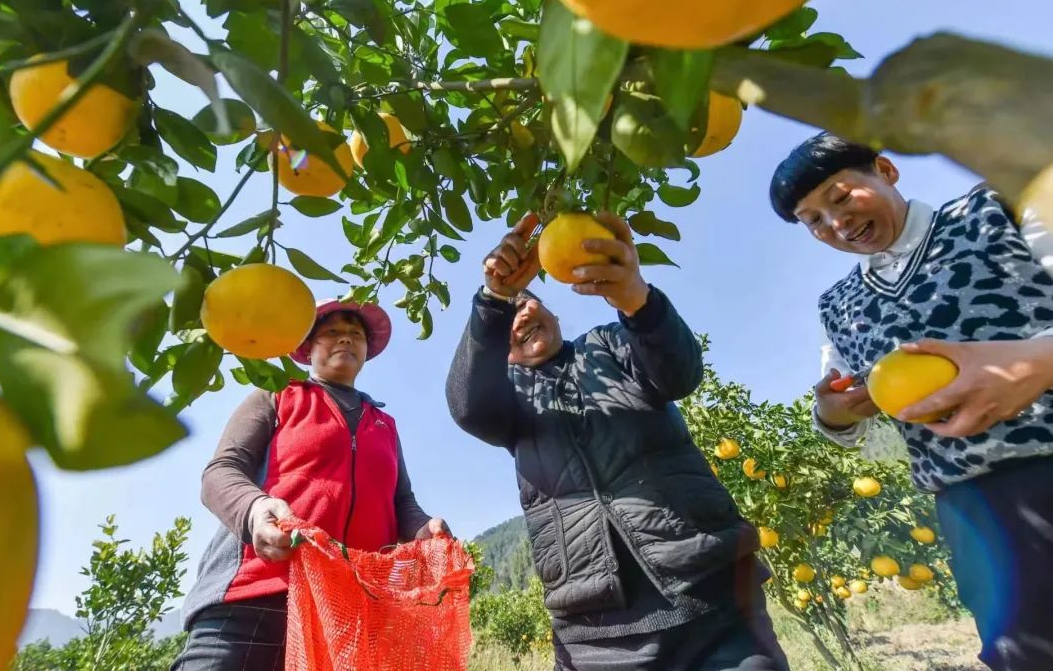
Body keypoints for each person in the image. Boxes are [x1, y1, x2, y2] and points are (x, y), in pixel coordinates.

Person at [446, 211, 789, 670]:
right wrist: (494, 298)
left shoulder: (610, 345)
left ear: (551, 309)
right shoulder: (512, 404)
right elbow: (468, 405)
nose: (521, 314)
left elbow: (679, 371)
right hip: (595, 634)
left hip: (712, 602)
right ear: (499, 346)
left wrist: (636, 300)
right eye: (509, 313)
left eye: (527, 302)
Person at [770, 131, 1053, 670]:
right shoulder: (840, 306)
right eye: (813, 221)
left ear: (886, 170)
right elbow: (840, 415)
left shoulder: (996, 209)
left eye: (841, 196)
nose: (835, 223)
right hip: (972, 507)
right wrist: (833, 409)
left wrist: (1036, 362)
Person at [173, 299, 448, 671]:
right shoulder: (277, 393)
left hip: (346, 611)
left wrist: (424, 529)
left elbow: (402, 502)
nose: (346, 340)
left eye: (355, 335)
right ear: (308, 348)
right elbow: (221, 472)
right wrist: (255, 512)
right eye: (332, 333)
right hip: (257, 594)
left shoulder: (385, 425)